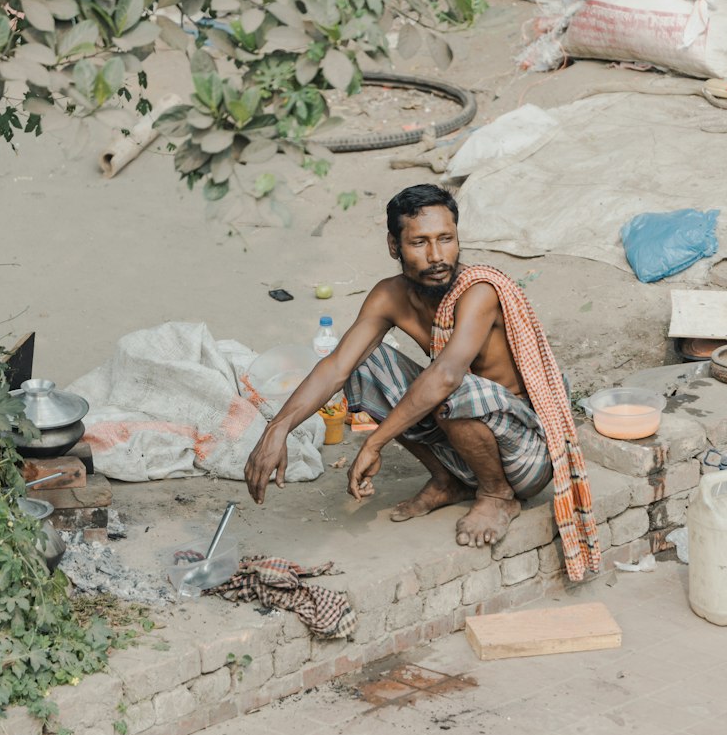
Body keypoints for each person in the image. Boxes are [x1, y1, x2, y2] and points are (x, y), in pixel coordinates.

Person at [244, 184, 599, 576]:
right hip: (464, 438)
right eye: (419, 243)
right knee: (367, 361)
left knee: (449, 385)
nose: (436, 257)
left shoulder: (478, 291)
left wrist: (373, 444)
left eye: (446, 240)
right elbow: (337, 367)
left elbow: (447, 375)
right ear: (394, 246)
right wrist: (277, 429)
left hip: (526, 457)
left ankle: (497, 495)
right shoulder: (389, 296)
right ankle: (448, 481)